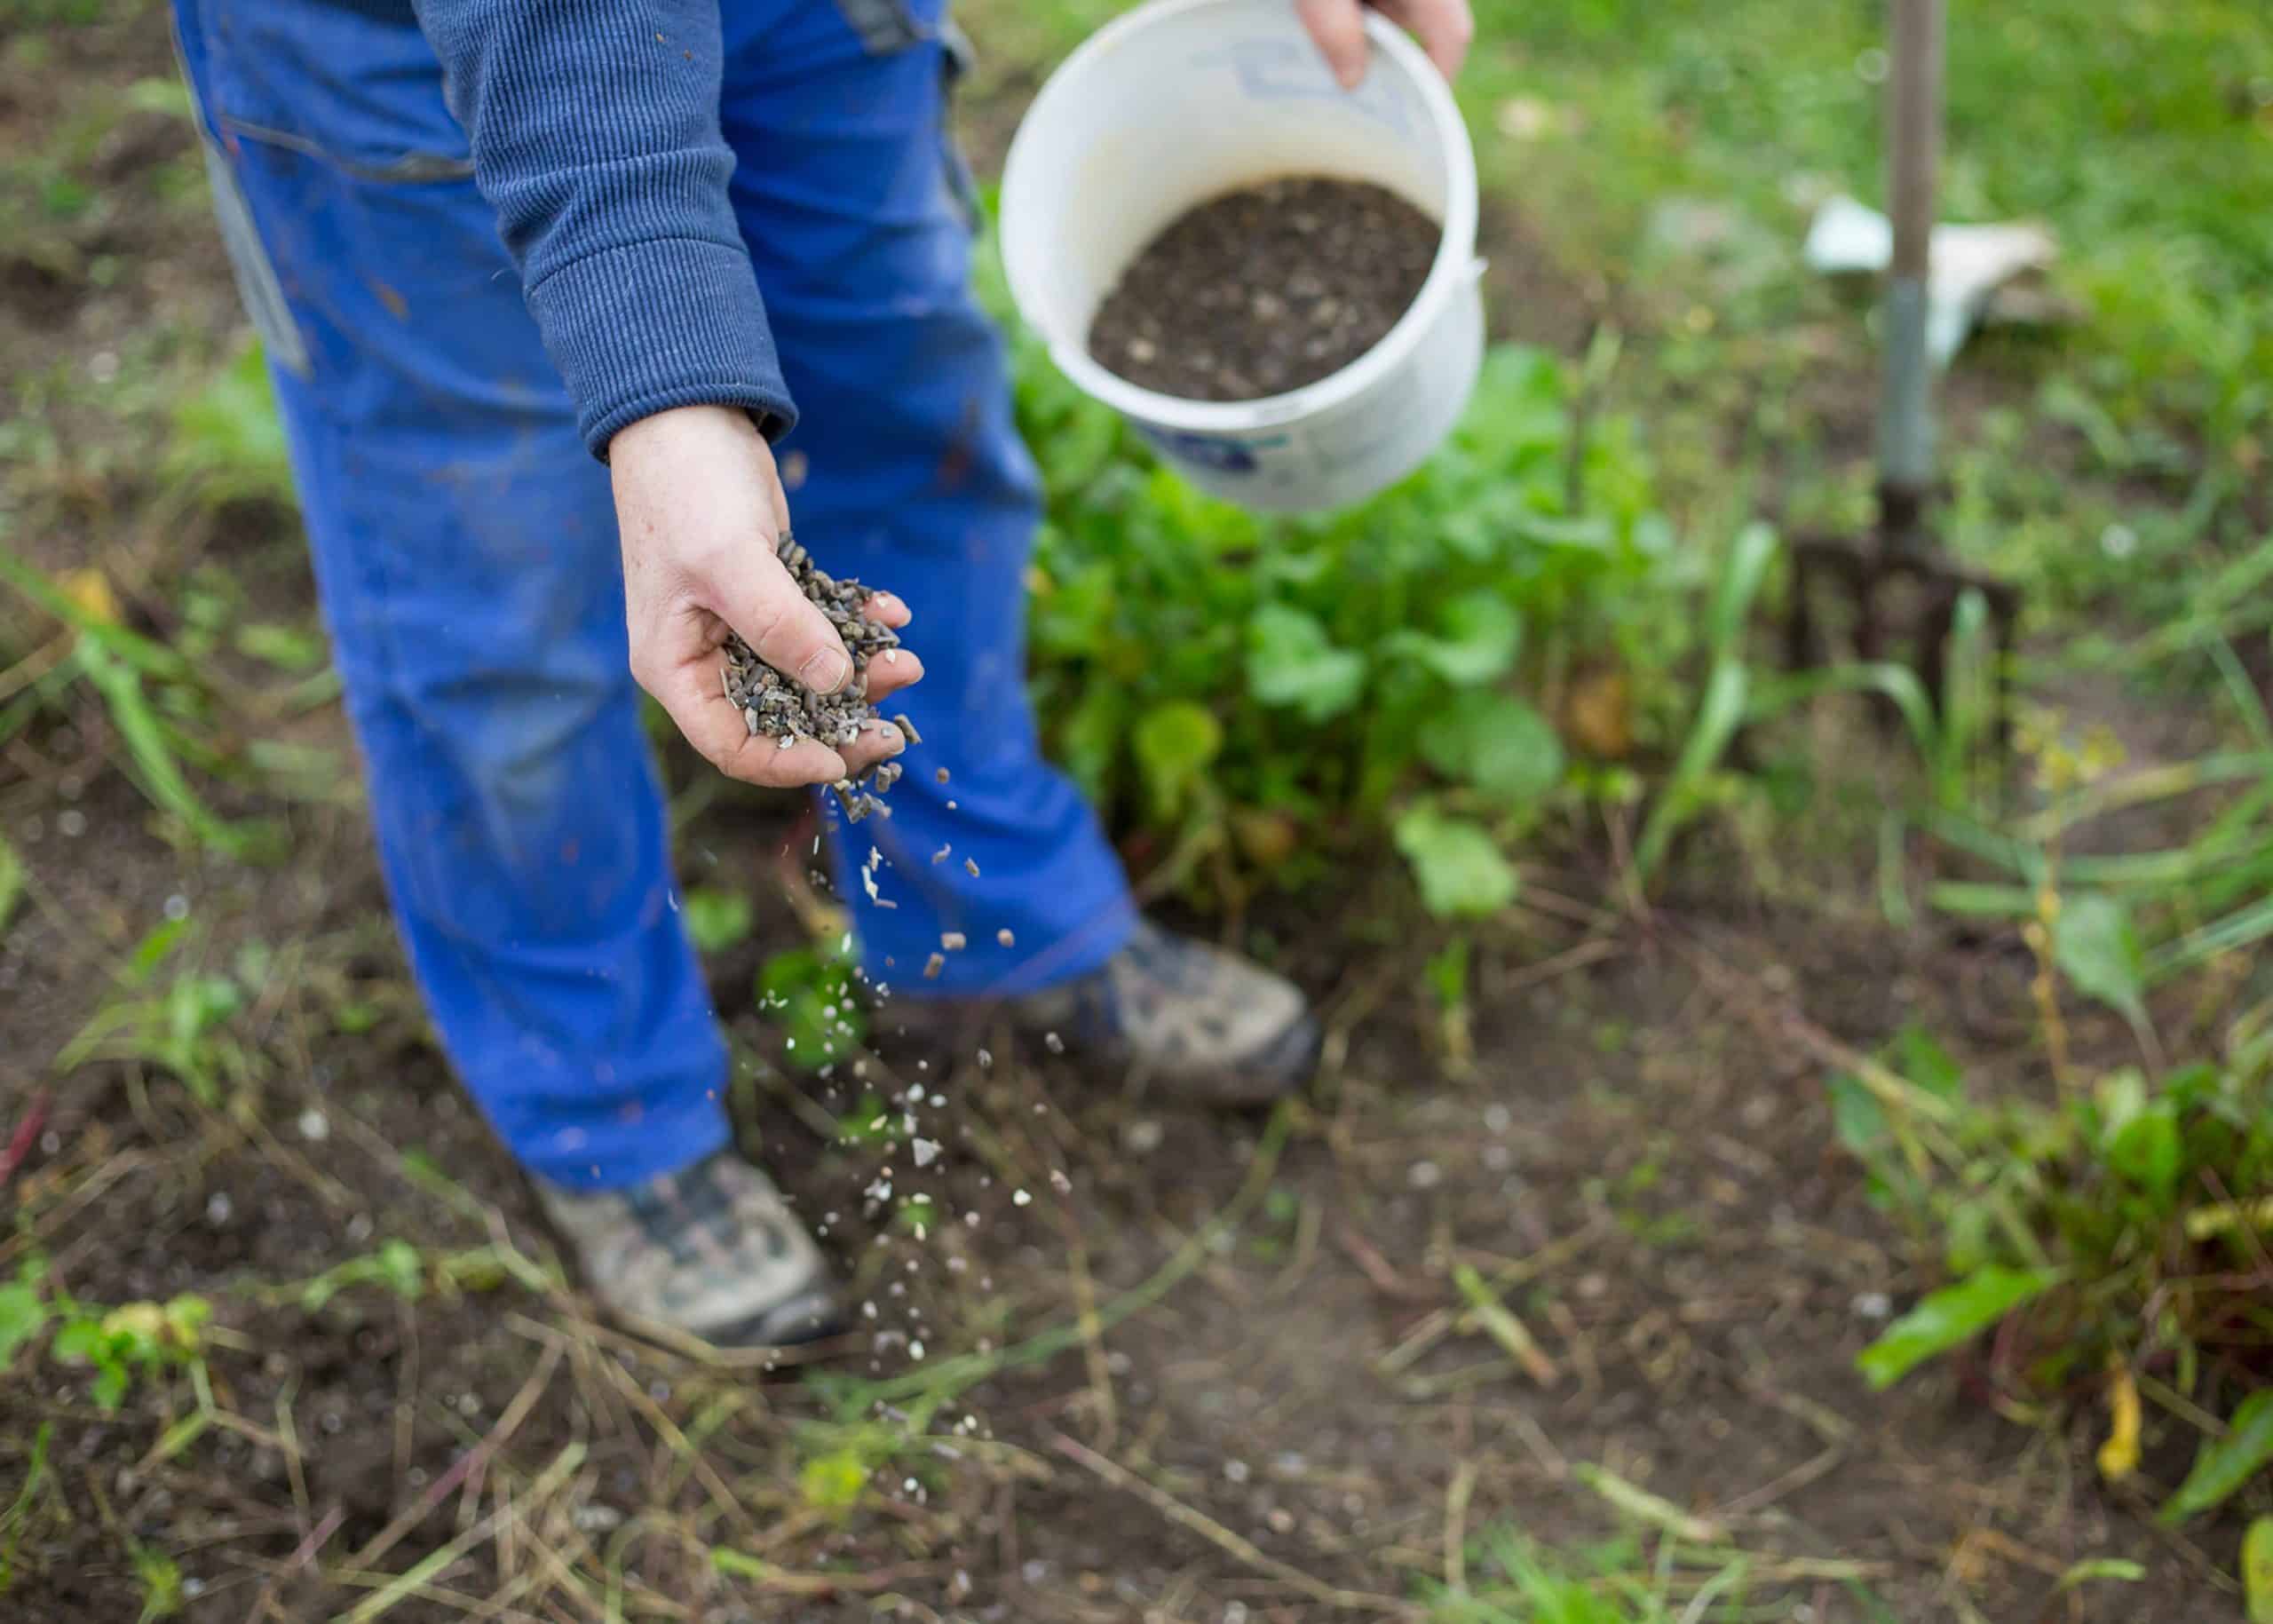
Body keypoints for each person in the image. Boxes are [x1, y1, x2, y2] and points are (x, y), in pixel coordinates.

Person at [171, 0, 1473, 1349]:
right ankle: (604, 1104)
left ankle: (981, 913)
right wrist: (667, 383)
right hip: (413, 42)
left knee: (903, 402)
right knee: (486, 566)